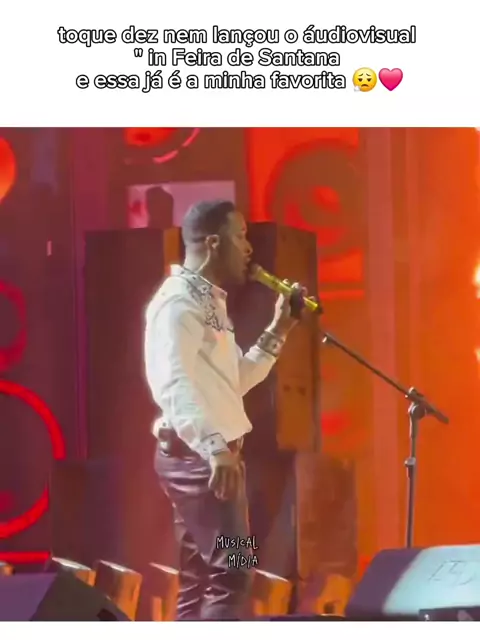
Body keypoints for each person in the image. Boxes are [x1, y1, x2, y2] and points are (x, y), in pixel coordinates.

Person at [144, 200, 304, 620]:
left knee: (202, 577)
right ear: (214, 243)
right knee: (234, 571)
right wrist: (215, 448)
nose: (249, 248)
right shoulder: (177, 304)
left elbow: (232, 383)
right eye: (241, 236)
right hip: (201, 459)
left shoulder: (207, 301)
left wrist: (279, 329)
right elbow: (172, 383)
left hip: (208, 456)